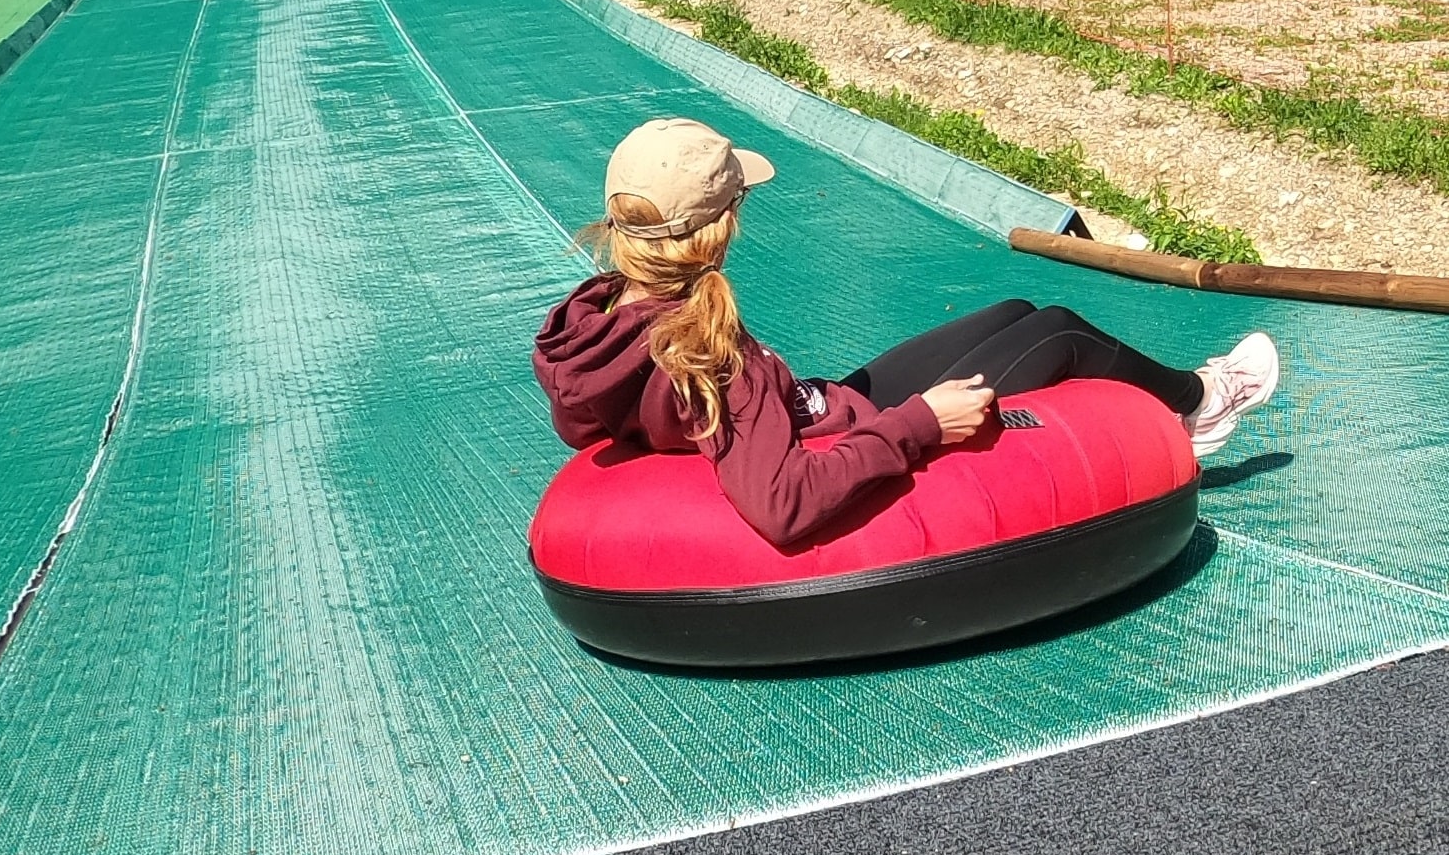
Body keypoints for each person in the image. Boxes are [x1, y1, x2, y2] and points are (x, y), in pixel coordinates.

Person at [532, 118, 1282, 547]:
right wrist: (921, 424)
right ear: (725, 223)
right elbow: (782, 503)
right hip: (841, 431)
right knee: (1056, 335)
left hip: (820, 405)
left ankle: (1198, 395)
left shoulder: (596, 319)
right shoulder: (709, 350)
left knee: (1014, 312)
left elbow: (592, 421)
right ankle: (1205, 400)